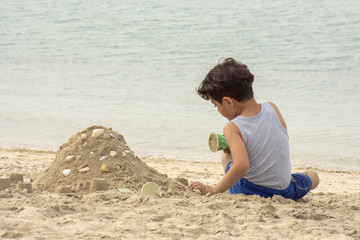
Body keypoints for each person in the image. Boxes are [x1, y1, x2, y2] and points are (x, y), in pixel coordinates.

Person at [189, 58, 319, 200]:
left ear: (228, 101)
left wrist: (214, 190)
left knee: (227, 157)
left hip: (250, 190)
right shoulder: (272, 108)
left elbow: (241, 165)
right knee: (313, 176)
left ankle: (229, 186)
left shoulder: (232, 128)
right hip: (286, 191)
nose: (218, 110)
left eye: (216, 105)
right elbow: (280, 140)